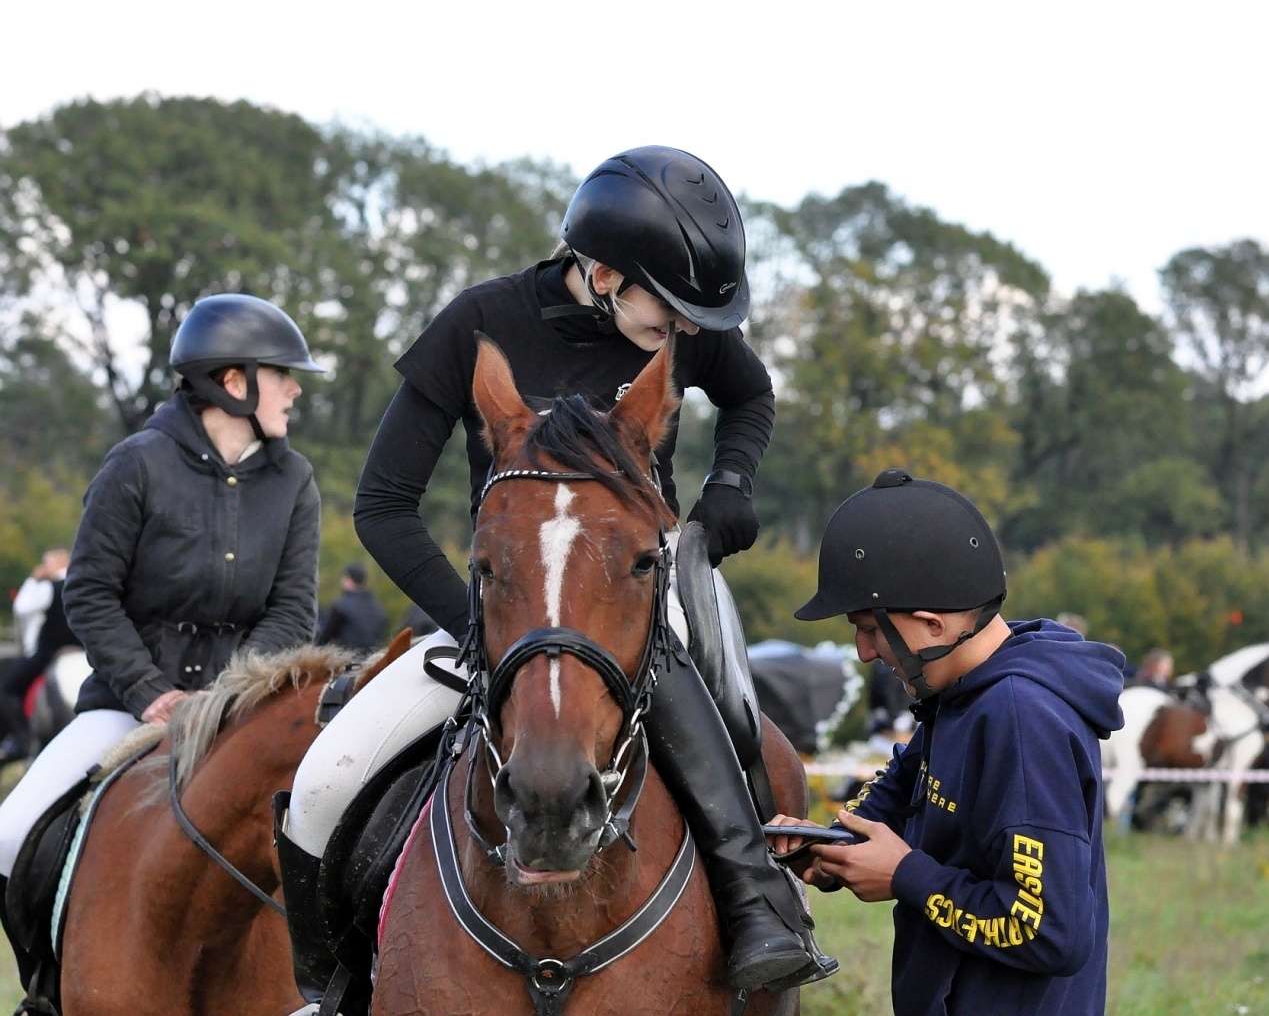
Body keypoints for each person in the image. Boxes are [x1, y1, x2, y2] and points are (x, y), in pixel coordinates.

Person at [278, 145, 831, 1001]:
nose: (687, 334)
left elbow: (750, 395)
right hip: (495, 607)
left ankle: (762, 918)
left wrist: (728, 491)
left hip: (635, 601)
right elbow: (384, 504)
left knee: (754, 747)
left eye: (696, 321)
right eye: (671, 312)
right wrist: (473, 621)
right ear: (603, 271)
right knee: (324, 780)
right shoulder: (477, 324)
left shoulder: (682, 326)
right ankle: (330, 988)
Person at [771, 469, 1126, 1016]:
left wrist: (905, 875)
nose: (866, 652)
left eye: (869, 628)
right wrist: (830, 842)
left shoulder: (1020, 718)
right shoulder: (959, 695)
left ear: (932, 625)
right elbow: (904, 784)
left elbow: (1050, 932)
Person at [0, 293, 323, 881]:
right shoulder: (136, 464)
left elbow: (293, 612)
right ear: (234, 381)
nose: (295, 390)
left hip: (243, 712)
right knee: (9, 834)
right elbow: (90, 593)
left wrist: (225, 697)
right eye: (283, 375)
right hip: (128, 705)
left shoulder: (295, 481)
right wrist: (151, 693)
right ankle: (52, 974)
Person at [0, 549, 79, 762]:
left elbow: (22, 607)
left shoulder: (48, 587)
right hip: (84, 650)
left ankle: (21, 739)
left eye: (46, 562)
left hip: (53, 651)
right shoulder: (82, 582)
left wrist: (33, 579)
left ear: (55, 563)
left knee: (8, 688)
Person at [315, 562, 388, 652]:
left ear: (347, 579)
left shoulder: (341, 607)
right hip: (371, 661)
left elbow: (325, 639)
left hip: (346, 660)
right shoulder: (379, 610)